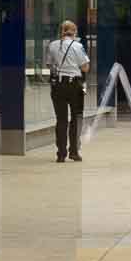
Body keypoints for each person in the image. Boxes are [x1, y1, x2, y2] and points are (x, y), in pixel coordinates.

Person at [45, 20, 90, 162]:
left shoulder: (52, 45)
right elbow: (85, 68)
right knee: (76, 118)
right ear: (74, 32)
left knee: (61, 119)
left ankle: (61, 153)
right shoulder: (78, 46)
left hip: (58, 85)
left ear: (61, 31)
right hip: (73, 85)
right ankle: (74, 151)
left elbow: (49, 64)